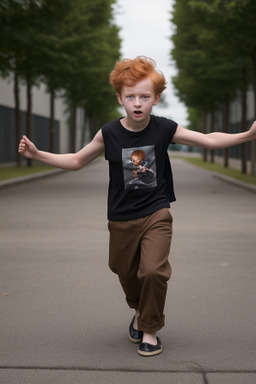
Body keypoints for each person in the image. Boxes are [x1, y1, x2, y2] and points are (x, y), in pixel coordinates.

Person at [18, 56, 256, 357]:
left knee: (153, 272)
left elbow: (207, 139)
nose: (138, 103)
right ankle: (141, 310)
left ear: (156, 99)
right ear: (120, 98)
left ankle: (150, 329)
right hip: (120, 218)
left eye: (145, 96)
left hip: (156, 212)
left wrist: (247, 135)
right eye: (130, 96)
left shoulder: (164, 128)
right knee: (123, 270)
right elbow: (77, 160)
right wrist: (39, 155)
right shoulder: (109, 133)